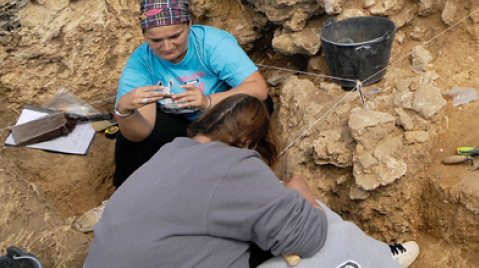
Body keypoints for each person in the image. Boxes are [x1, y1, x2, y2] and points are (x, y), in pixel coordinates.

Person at [83, 94, 420, 268]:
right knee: (328, 227)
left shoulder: (171, 152)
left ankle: (377, 254)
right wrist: (299, 188)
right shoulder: (235, 163)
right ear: (249, 143)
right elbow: (309, 238)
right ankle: (378, 259)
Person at [75, 0, 270, 232]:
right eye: (155, 40)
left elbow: (259, 89)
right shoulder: (141, 62)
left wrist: (208, 101)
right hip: (183, 122)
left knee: (252, 111)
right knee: (128, 135)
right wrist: (124, 110)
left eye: (175, 36)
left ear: (189, 23)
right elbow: (140, 133)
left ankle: (234, 196)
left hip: (224, 116)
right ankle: (122, 200)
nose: (167, 47)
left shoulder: (212, 44)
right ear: (144, 35)